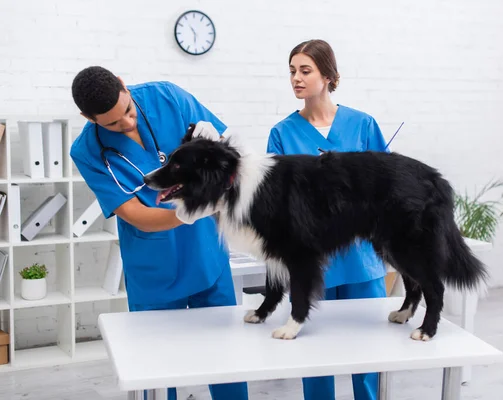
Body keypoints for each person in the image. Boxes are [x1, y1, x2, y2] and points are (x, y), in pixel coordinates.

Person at [69, 66, 249, 400]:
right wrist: (190, 212)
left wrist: (223, 154)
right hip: (153, 271)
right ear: (87, 117)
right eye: (112, 123)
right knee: (155, 369)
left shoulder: (167, 97)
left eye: (127, 111)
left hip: (206, 256)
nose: (126, 123)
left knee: (226, 357)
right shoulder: (87, 151)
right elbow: (135, 213)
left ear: (124, 85)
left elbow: (228, 151)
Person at [266, 39, 388, 400]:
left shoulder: (363, 125)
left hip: (362, 262)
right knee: (314, 358)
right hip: (311, 261)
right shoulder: (282, 133)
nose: (296, 79)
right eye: (292, 71)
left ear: (329, 76)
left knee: (367, 356)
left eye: (305, 70)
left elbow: (386, 190)